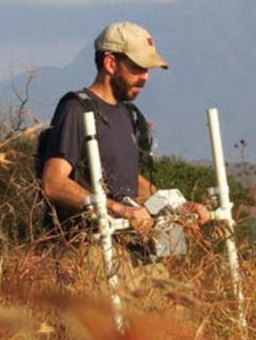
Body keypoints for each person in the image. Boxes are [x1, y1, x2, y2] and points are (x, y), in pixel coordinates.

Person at [37, 22, 211, 238]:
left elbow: (127, 180)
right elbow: (53, 183)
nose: (145, 76)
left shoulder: (128, 113)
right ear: (110, 63)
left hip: (131, 244)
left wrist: (179, 205)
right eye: (138, 67)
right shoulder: (77, 109)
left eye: (147, 69)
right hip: (89, 245)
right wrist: (117, 209)